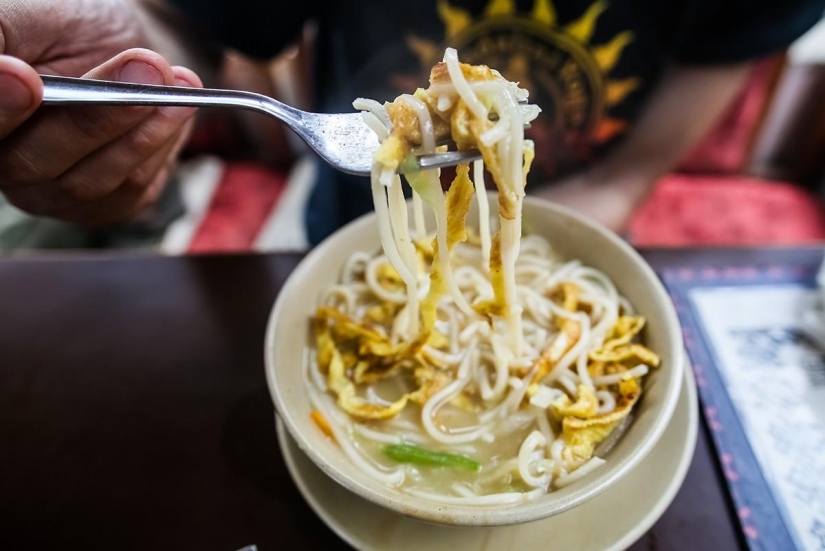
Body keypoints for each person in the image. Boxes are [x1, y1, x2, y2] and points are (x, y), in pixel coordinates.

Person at [0, 0, 822, 247]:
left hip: (554, 233)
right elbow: (193, 33)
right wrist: (130, 62)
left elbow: (623, 178)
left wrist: (501, 267)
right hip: (337, 232)